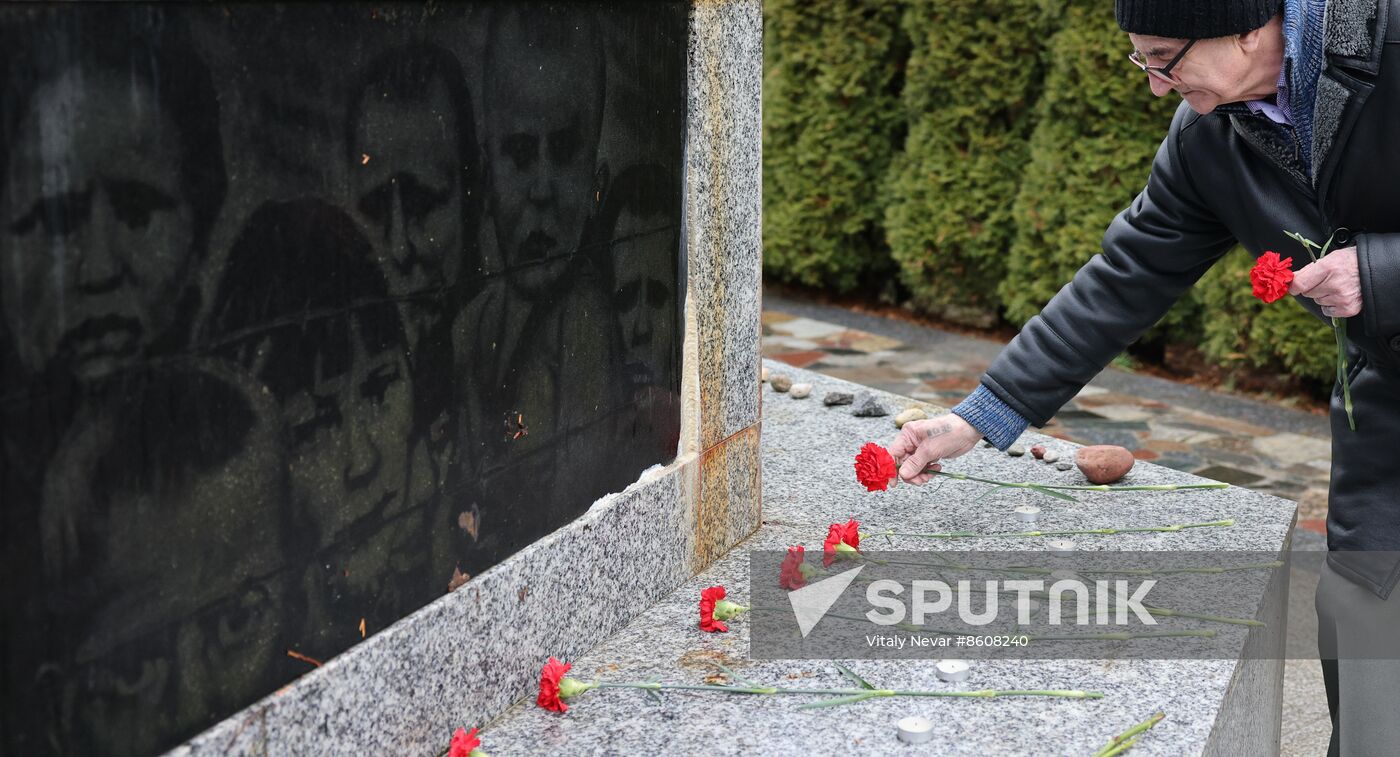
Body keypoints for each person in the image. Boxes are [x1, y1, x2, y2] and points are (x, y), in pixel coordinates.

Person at [887, 2, 1400, 754]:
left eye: (1165, 57)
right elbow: (1126, 274)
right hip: (1384, 424)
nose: (1156, 86)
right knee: (1365, 641)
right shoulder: (1209, 137)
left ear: (1248, 30)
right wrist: (978, 416)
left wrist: (1381, 274)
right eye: (1142, 60)